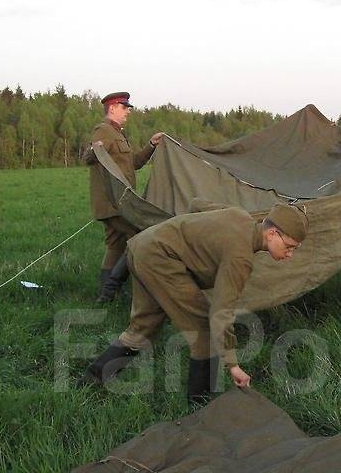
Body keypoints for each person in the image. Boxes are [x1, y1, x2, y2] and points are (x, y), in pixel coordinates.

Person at [80, 203, 309, 405]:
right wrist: (233, 365)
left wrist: (188, 234)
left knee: (143, 327)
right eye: (289, 246)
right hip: (160, 258)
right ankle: (200, 406)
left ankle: (91, 381)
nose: (290, 255)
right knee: (203, 330)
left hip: (143, 246)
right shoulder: (240, 257)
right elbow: (221, 312)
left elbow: (197, 203)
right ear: (272, 233)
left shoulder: (240, 215)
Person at [82, 92, 164, 303]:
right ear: (112, 108)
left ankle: (106, 296)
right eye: (124, 107)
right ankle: (122, 290)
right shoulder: (104, 131)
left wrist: (152, 145)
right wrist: (94, 150)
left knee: (116, 246)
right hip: (113, 204)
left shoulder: (118, 134)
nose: (128, 111)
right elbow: (88, 158)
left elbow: (134, 163)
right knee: (139, 236)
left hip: (119, 203)